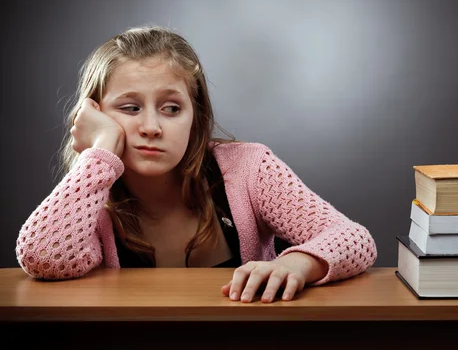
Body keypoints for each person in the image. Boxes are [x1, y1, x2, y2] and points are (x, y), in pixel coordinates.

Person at [15, 25, 377, 303]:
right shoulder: (91, 192)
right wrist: (99, 152)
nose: (152, 128)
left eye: (171, 108)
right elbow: (42, 256)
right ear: (93, 115)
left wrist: (294, 264)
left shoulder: (249, 168)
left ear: (195, 117)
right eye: (130, 108)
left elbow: (355, 239)